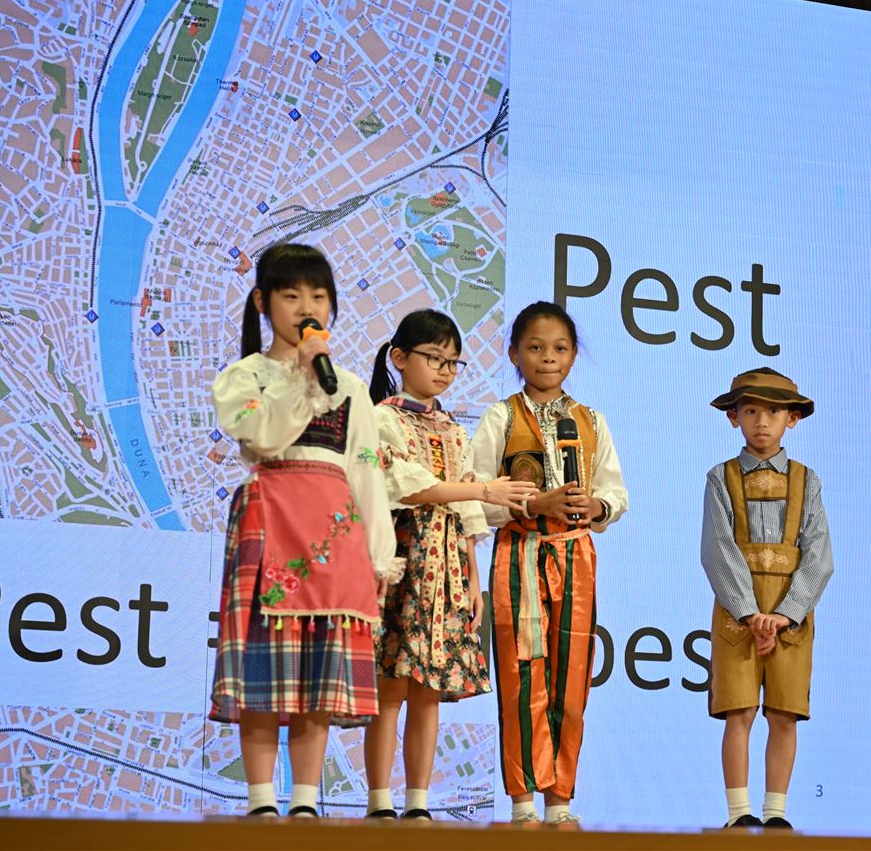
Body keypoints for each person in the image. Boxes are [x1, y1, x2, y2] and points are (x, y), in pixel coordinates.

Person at [209, 242, 397, 817]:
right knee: (265, 669)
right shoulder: (244, 377)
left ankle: (307, 802)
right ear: (263, 302)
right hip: (271, 520)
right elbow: (264, 438)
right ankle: (262, 800)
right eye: (291, 295)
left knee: (319, 673)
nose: (306, 307)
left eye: (318, 296)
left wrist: (379, 555)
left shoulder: (351, 387)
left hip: (335, 531)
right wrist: (304, 379)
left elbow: (366, 470)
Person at [362, 309, 536, 819]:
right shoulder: (382, 419)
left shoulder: (455, 431)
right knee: (390, 686)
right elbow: (411, 487)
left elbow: (466, 515)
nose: (443, 370)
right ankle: (379, 800)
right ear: (399, 358)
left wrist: (473, 581)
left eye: (452, 362)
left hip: (448, 569)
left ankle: (417, 801)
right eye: (433, 358)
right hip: (400, 560)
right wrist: (481, 490)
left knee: (429, 689)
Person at [469, 301, 628, 824]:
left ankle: (560, 801)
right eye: (535, 348)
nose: (548, 357)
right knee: (520, 675)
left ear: (574, 355)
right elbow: (476, 497)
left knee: (572, 679)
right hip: (519, 553)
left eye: (559, 348)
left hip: (575, 554)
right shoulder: (500, 417)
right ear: (515, 354)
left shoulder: (591, 420)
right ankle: (522, 802)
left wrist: (596, 507)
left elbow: (616, 493)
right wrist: (534, 504)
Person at [702, 367, 833, 830]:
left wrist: (785, 614)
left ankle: (776, 811)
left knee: (784, 712)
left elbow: (819, 553)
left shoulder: (807, 480)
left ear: (792, 419)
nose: (762, 421)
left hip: (790, 613)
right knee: (739, 709)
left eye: (774, 412)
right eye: (751, 410)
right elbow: (717, 547)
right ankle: (738, 812)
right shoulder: (720, 477)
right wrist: (749, 612)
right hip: (737, 609)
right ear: (733, 416)